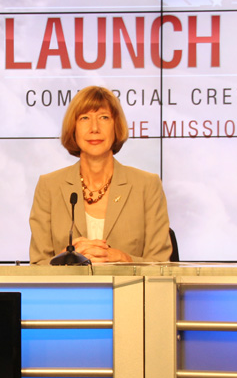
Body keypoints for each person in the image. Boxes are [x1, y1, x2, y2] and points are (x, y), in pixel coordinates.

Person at [29, 86, 172, 264]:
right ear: (73, 128)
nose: (94, 128)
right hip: (68, 292)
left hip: (129, 291)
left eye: (104, 117)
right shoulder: (49, 186)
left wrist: (123, 258)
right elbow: (37, 264)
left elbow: (161, 264)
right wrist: (64, 259)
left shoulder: (147, 185)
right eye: (84, 118)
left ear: (116, 126)